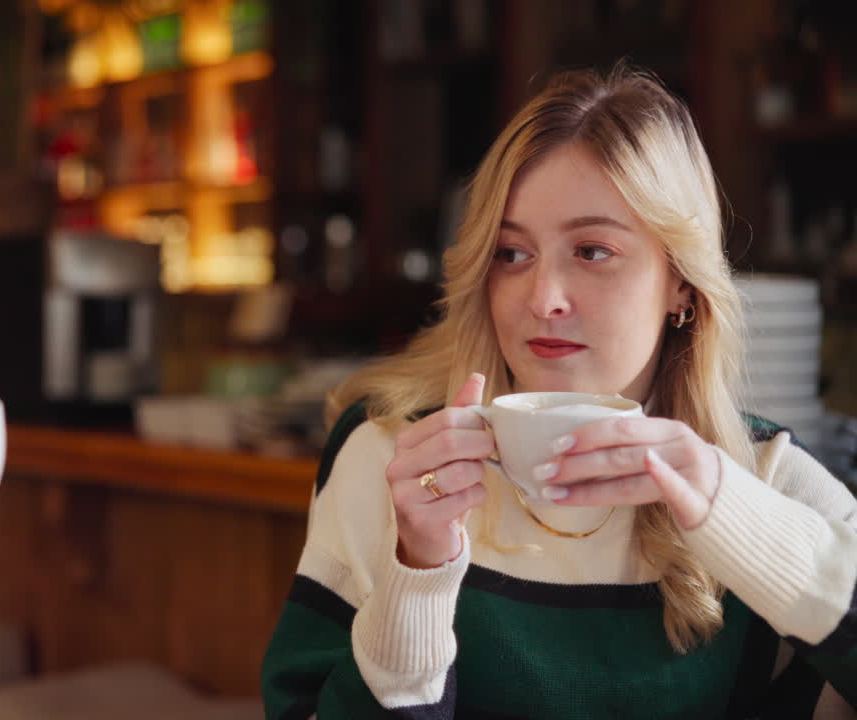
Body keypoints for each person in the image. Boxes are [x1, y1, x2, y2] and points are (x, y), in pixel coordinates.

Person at [261, 65, 857, 719]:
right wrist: (416, 575)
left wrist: (737, 519)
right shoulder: (393, 459)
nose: (543, 299)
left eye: (592, 251)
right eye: (511, 254)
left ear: (681, 284)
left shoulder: (770, 482)